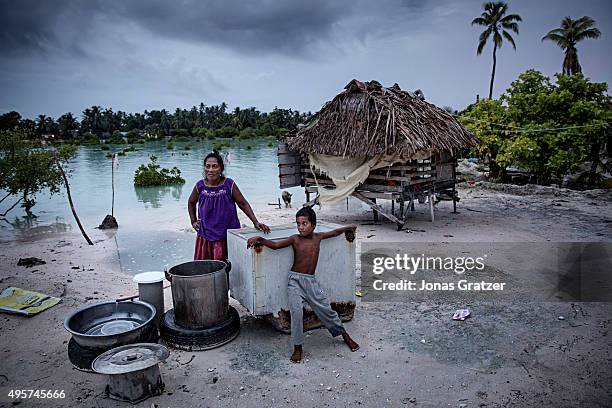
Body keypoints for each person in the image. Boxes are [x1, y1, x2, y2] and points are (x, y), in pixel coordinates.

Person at [246, 207, 359, 363]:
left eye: (304, 223)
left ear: (313, 225)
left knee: (326, 309)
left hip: (311, 282)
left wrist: (349, 227)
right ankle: (297, 347)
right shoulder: (295, 239)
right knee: (296, 313)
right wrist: (260, 238)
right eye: (298, 224)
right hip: (295, 282)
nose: (300, 227)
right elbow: (276, 245)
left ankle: (345, 336)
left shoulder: (318, 237)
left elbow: (334, 233)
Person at [188, 150, 270, 261]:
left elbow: (243, 203)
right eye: (207, 166)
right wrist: (193, 221)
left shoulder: (229, 185)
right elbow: (191, 202)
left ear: (221, 169)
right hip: (205, 235)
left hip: (227, 235)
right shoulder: (200, 186)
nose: (210, 170)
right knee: (206, 269)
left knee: (227, 268)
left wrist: (255, 222)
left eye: (214, 166)